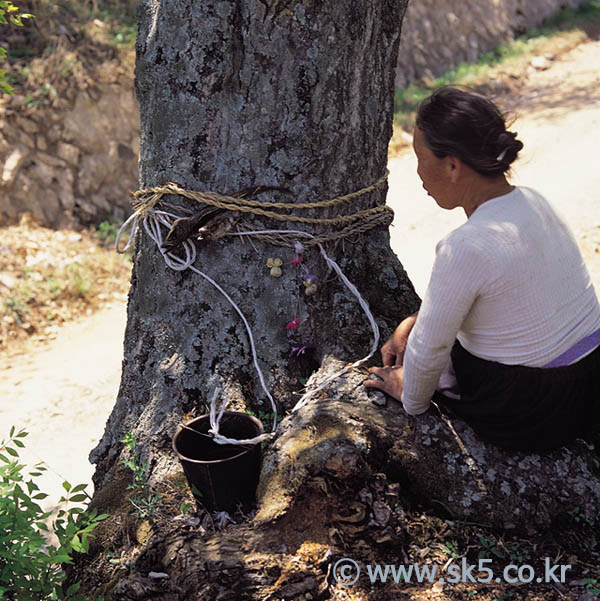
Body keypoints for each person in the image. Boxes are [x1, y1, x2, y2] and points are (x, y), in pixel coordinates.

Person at [364, 86, 600, 451]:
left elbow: (430, 349)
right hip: (586, 385)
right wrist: (420, 319)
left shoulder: (465, 245)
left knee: (438, 361)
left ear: (453, 165)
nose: (418, 173)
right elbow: (514, 299)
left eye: (419, 157)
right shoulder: (535, 202)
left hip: (530, 412)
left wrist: (407, 391)